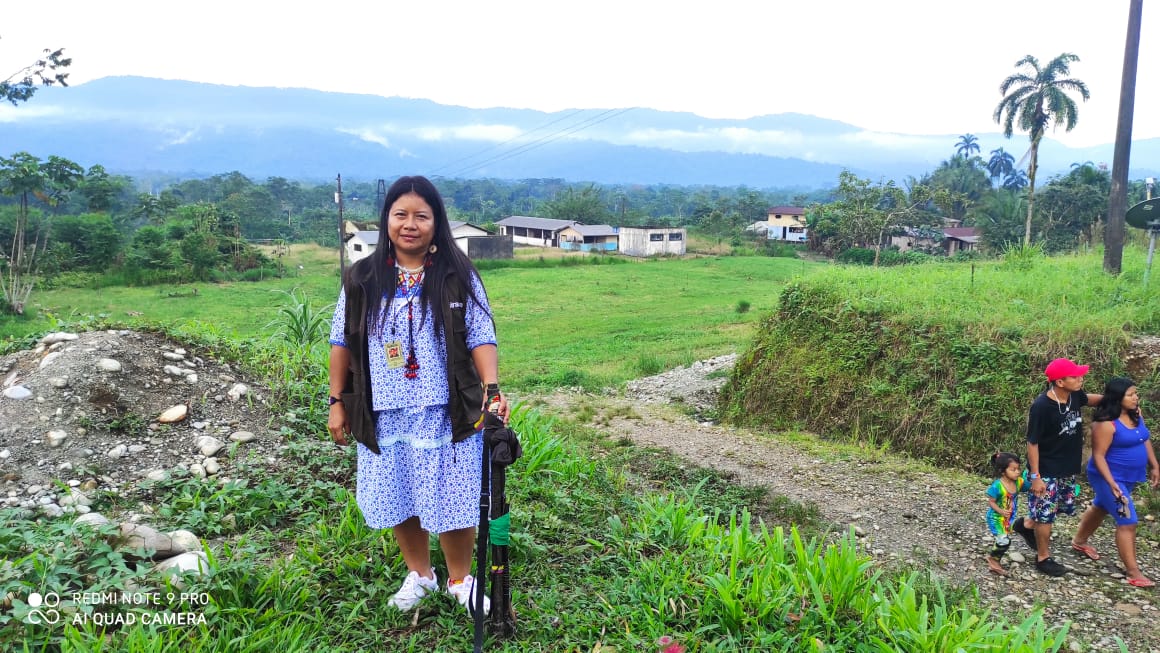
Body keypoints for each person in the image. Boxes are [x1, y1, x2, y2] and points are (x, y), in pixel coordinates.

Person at [326, 175, 509, 616]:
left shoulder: (457, 273)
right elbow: (341, 342)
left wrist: (492, 388)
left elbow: (481, 335)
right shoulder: (363, 278)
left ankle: (461, 579)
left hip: (446, 408)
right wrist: (336, 401)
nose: (410, 224)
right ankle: (421, 574)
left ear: (436, 221)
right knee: (399, 493)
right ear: (387, 219)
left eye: (421, 216)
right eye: (400, 214)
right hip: (384, 410)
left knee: (454, 495)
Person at [1011, 358, 1102, 576]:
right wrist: (1036, 476)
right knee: (1046, 516)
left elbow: (1090, 399)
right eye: (1075, 376)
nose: (1081, 379)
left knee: (1056, 508)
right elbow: (1032, 442)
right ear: (1060, 382)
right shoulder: (1042, 407)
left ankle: (1025, 524)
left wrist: (1117, 398)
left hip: (1066, 467)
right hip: (1046, 470)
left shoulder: (1073, 396)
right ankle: (1043, 558)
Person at [1070, 377, 1159, 587]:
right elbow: (1099, 456)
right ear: (1118, 398)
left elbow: (1144, 438)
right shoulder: (1106, 424)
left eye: (1136, 393)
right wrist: (1112, 484)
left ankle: (1079, 542)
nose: (1136, 397)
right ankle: (1133, 572)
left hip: (1129, 476)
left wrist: (1155, 465)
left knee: (1101, 506)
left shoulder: (1136, 415)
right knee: (1128, 520)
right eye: (1130, 394)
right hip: (1108, 476)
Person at [985, 452, 1028, 577]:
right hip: (996, 518)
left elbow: (1029, 486)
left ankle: (995, 557)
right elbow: (991, 502)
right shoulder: (997, 486)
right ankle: (993, 560)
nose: (1017, 472)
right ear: (1003, 471)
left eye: (1018, 469)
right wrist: (1000, 511)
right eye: (1013, 469)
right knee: (1004, 541)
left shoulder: (1018, 482)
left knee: (1004, 540)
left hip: (1008, 518)